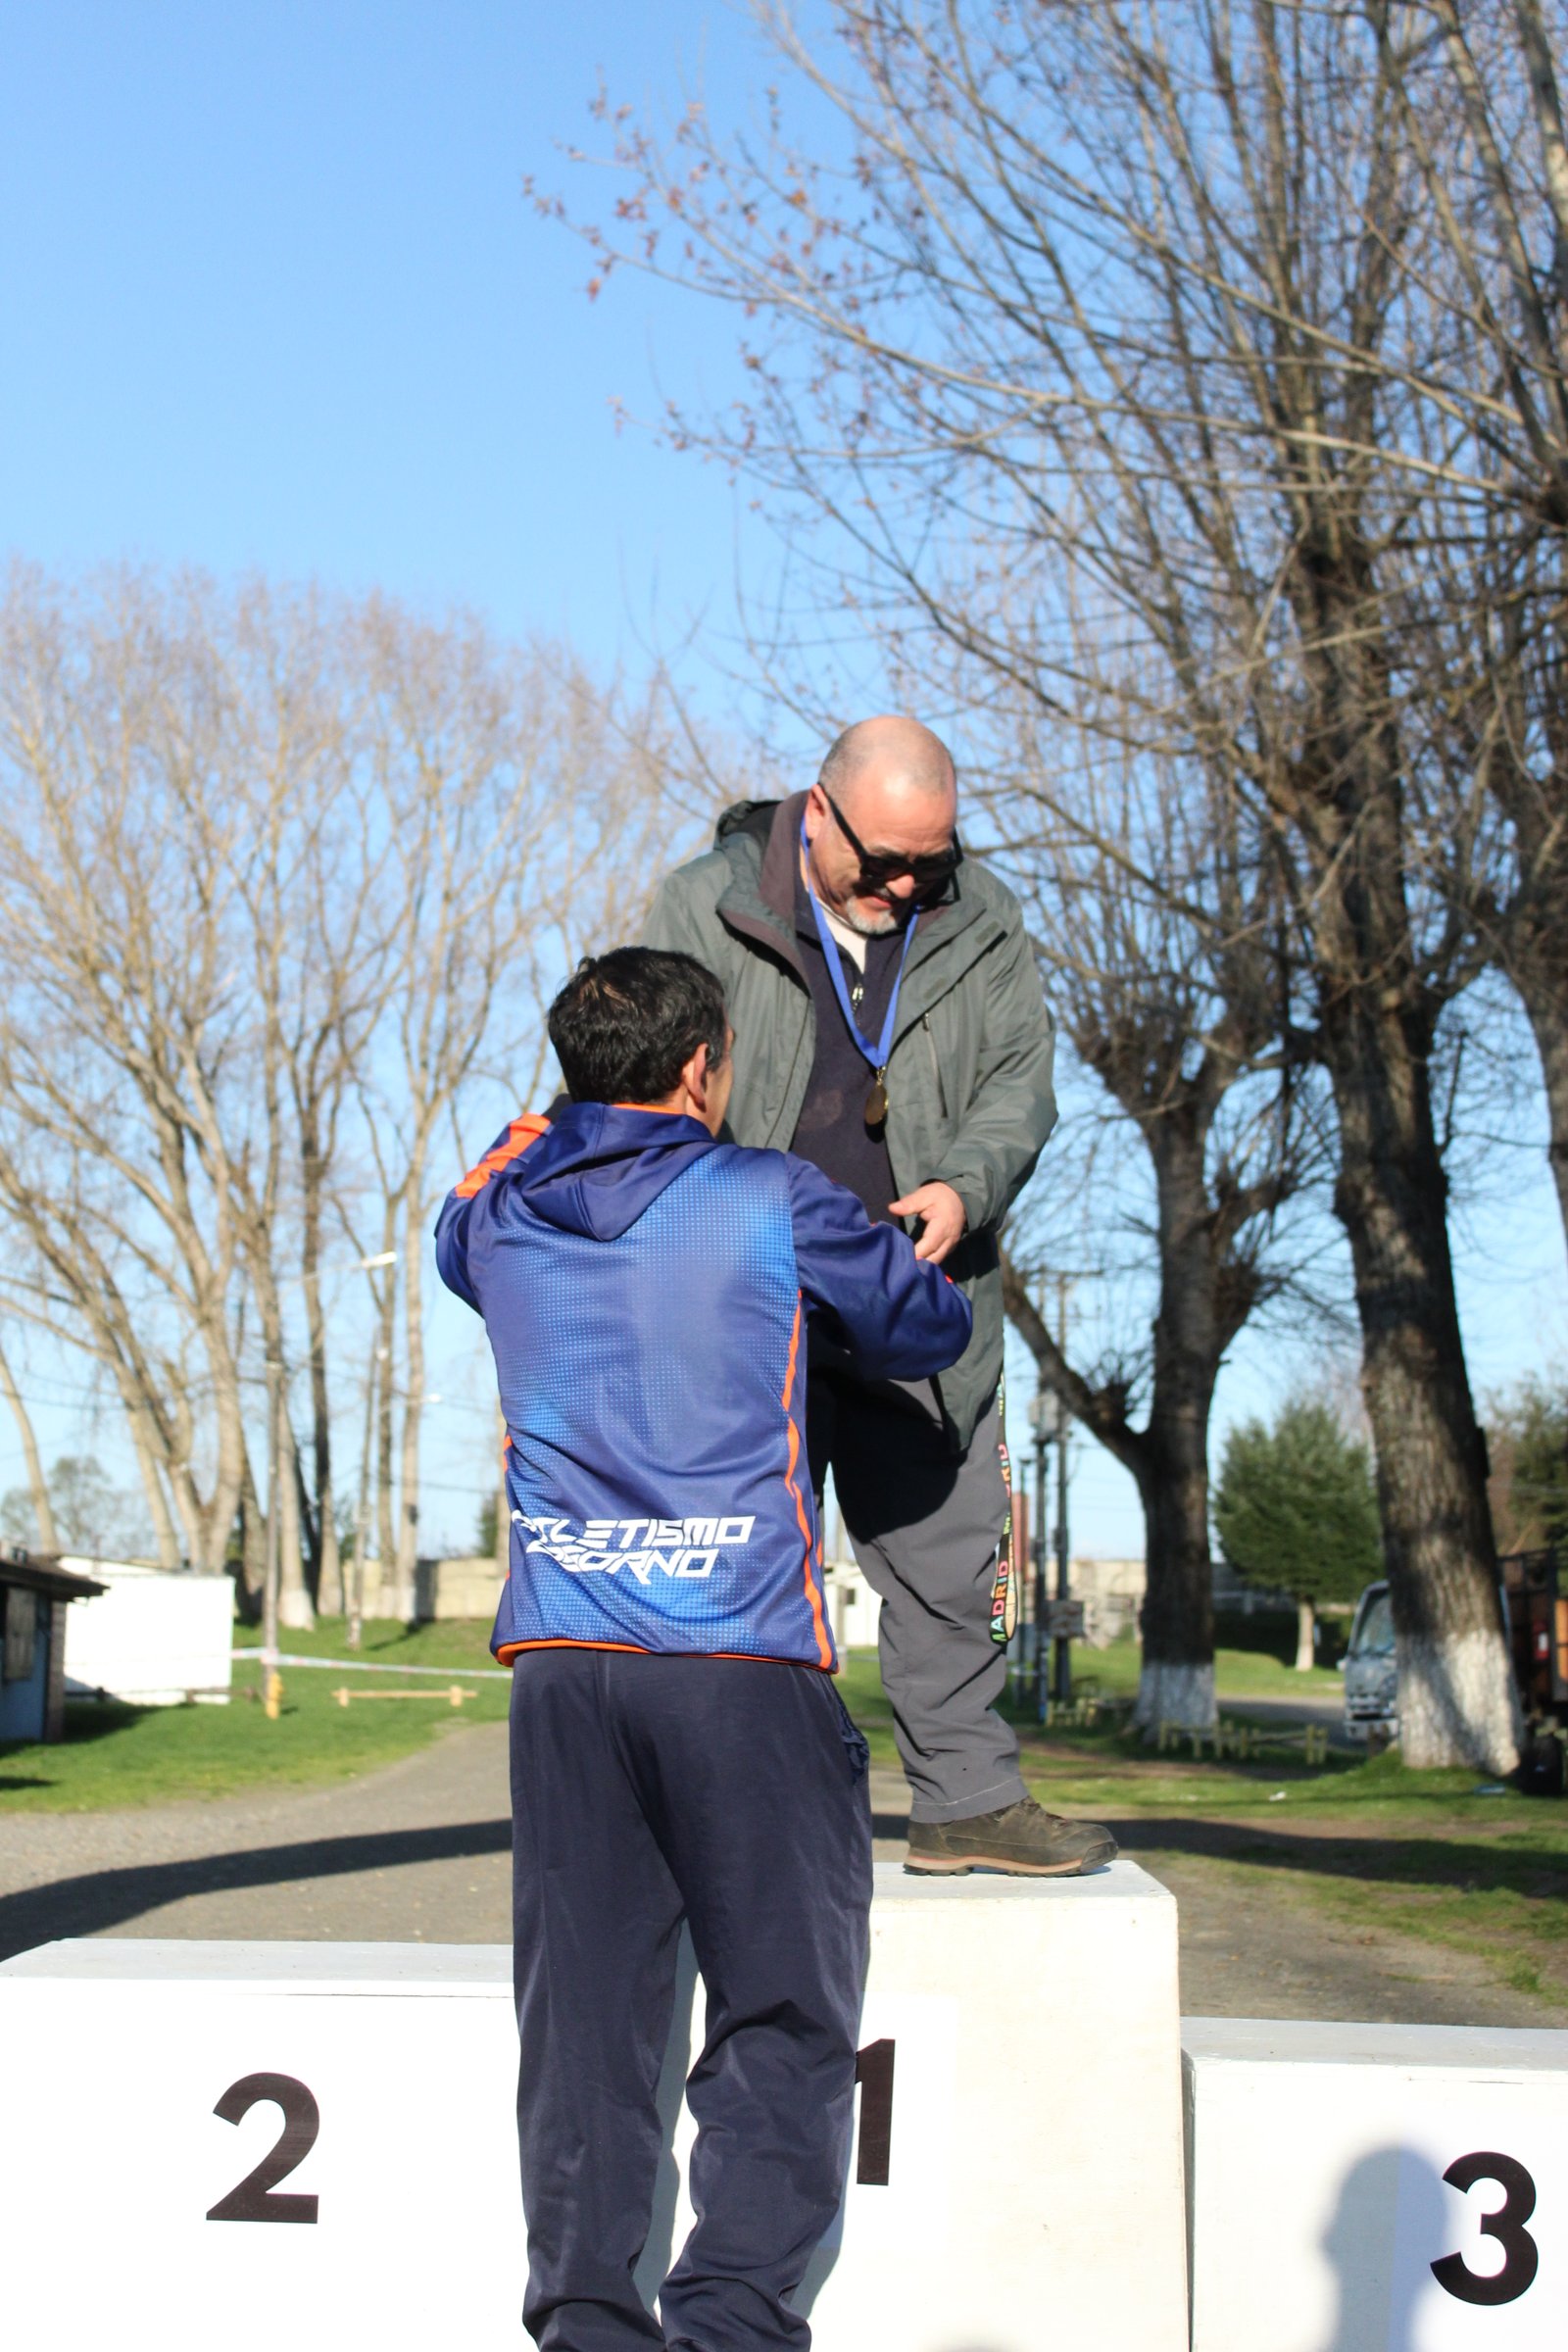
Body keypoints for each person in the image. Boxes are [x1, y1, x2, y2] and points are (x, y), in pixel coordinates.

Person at [435, 945, 972, 2352]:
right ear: (702, 1068)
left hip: (561, 1665)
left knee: (586, 2030)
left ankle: (588, 2330)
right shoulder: (769, 1197)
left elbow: (459, 1207)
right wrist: (920, 1235)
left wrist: (560, 1111)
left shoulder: (500, 1213)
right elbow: (926, 1322)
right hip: (737, 1655)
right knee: (784, 2016)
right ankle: (729, 2323)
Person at [643, 715, 1117, 1877]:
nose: (907, 883)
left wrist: (966, 1183)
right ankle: (732, 1822)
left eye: (930, 860)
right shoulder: (700, 906)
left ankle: (964, 1801)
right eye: (883, 860)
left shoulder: (984, 915)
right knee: (747, 1567)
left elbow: (1021, 1081)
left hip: (924, 1300)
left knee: (955, 1562)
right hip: (752, 1306)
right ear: (819, 811)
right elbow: (653, 1088)